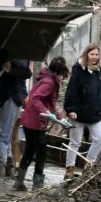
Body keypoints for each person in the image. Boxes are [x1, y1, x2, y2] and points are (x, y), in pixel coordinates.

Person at [13, 57, 69, 191]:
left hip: (29, 119)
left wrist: (59, 118)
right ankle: (37, 184)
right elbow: (36, 99)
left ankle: (19, 181)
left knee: (29, 150)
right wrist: (46, 113)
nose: (62, 78)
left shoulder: (45, 77)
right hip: (36, 121)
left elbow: (50, 103)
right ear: (58, 73)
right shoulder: (49, 83)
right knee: (41, 152)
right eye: (62, 75)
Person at [0, 44, 31, 179]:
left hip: (13, 98)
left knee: (0, 135)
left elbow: (27, 73)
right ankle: (8, 165)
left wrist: (11, 69)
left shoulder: (12, 58)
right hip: (4, 100)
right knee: (6, 135)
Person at [63, 44, 101, 178]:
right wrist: (70, 109)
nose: (94, 57)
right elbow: (71, 90)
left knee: (100, 138)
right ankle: (69, 168)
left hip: (94, 113)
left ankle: (89, 164)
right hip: (77, 113)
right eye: (92, 54)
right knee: (75, 142)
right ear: (86, 55)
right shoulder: (78, 69)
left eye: (97, 55)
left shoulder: (98, 70)